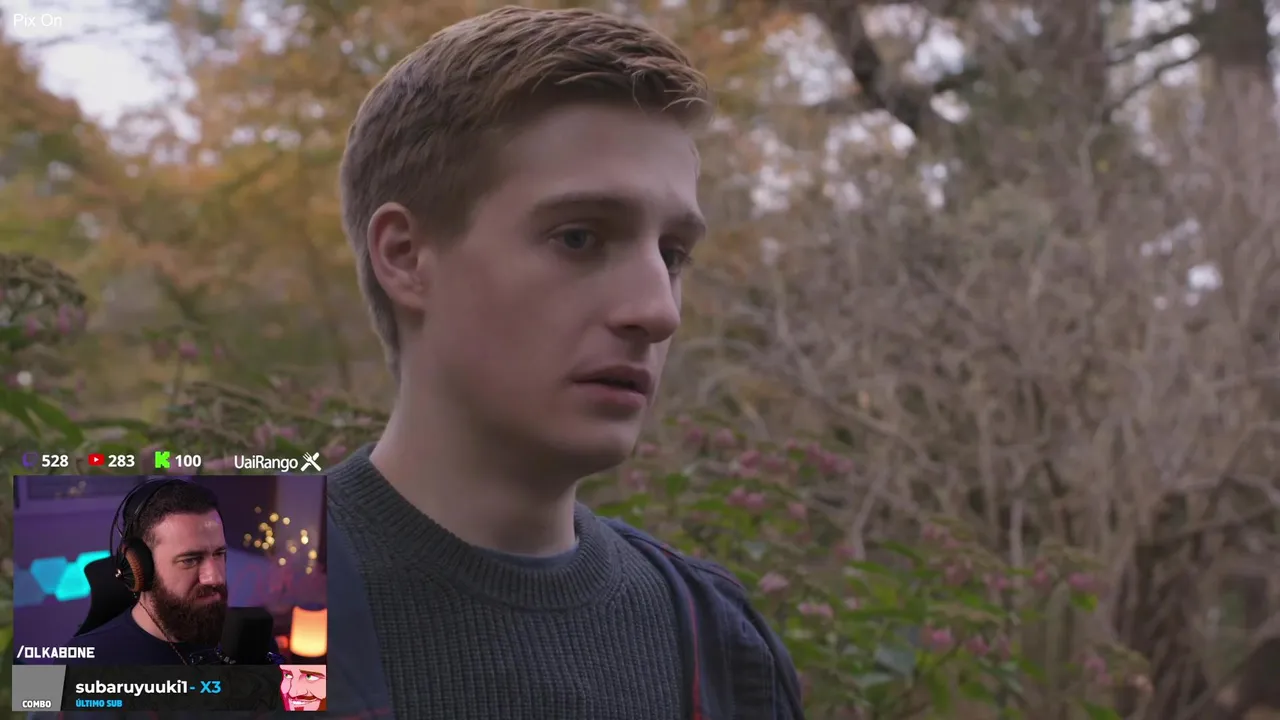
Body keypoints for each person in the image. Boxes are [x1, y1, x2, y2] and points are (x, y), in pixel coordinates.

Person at [325, 5, 805, 720]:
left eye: (673, 254)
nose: (658, 311)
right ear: (406, 257)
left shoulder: (716, 644)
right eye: (579, 238)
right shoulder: (218, 599)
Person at [65, 480, 230, 665]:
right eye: (190, 560)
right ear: (140, 565)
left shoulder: (244, 639)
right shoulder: (84, 662)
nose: (215, 578)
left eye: (219, 554)